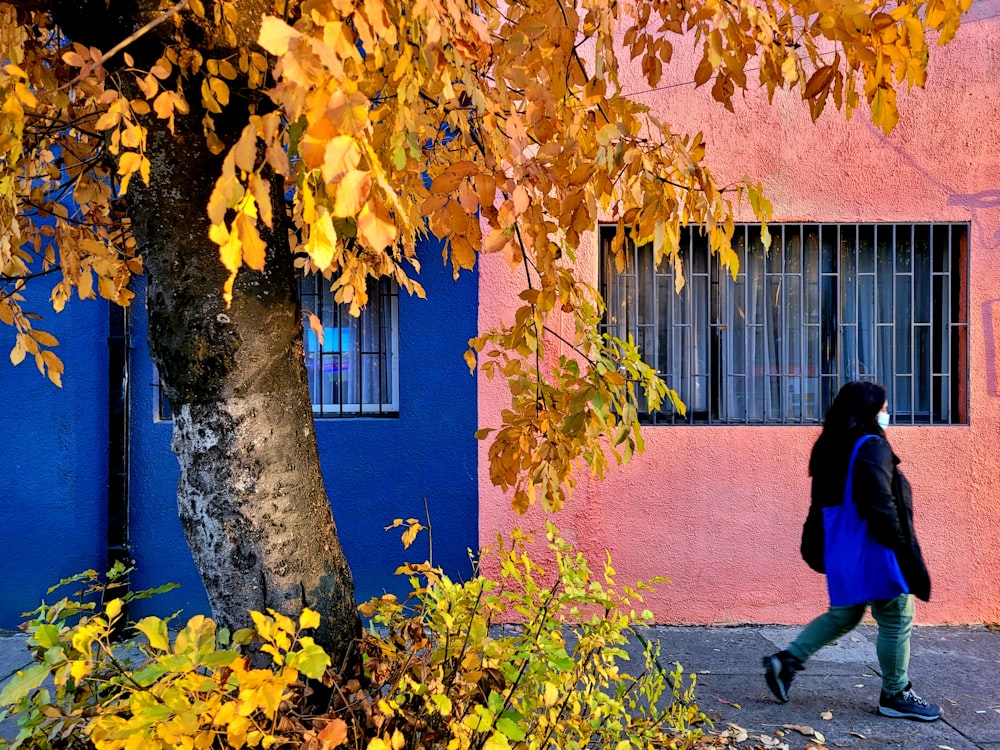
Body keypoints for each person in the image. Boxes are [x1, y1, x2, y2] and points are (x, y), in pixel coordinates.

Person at [762, 380, 941, 721]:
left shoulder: (831, 445)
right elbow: (880, 504)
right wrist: (901, 546)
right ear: (871, 410)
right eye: (884, 408)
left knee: (846, 613)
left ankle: (785, 662)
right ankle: (895, 692)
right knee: (897, 615)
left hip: (843, 548)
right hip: (873, 547)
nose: (887, 413)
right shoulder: (871, 445)